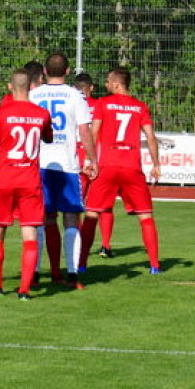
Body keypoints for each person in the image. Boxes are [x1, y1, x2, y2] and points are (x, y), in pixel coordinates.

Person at [0, 68, 53, 300]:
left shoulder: (0, 113)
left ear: (10, 87)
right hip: (29, 182)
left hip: (3, 181)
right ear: (31, 87)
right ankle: (24, 291)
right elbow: (48, 137)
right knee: (29, 235)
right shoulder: (41, 114)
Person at [78, 67, 163, 274]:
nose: (106, 85)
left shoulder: (103, 104)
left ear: (117, 84)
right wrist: (156, 164)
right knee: (145, 216)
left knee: (91, 214)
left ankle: (81, 265)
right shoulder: (140, 107)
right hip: (131, 167)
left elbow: (94, 132)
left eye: (108, 81)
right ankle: (154, 265)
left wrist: (90, 160)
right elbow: (151, 137)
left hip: (106, 166)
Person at [30, 52, 97, 290]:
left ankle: (35, 274)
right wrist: (92, 158)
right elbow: (84, 130)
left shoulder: (34, 94)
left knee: (41, 220)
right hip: (67, 165)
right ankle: (71, 275)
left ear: (45, 72)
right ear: (67, 71)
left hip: (40, 165)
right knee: (70, 219)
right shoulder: (75, 95)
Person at [74, 72, 115, 257]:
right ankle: (106, 245)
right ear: (91, 88)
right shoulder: (100, 104)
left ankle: (79, 244)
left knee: (77, 205)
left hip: (76, 158)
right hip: (98, 158)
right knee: (104, 205)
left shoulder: (72, 104)